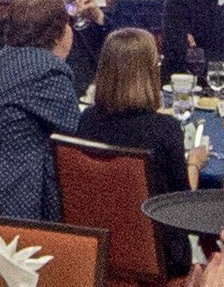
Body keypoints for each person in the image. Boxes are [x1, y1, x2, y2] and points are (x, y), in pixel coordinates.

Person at [0, 0, 84, 224]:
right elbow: (76, 136)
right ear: (58, 35)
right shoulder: (47, 69)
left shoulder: (5, 57)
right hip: (19, 194)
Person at [68, 24, 198, 196]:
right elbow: (181, 202)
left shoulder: (87, 120)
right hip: (150, 220)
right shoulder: (165, 129)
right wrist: (194, 164)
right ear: (150, 72)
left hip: (91, 218)